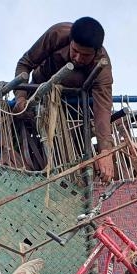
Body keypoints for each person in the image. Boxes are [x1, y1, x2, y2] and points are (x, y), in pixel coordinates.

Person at [15, 18, 115, 183]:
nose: (77, 57)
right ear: (70, 41)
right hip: (40, 92)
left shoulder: (102, 68)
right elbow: (24, 64)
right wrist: (21, 97)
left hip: (73, 106)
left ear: (96, 52)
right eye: (75, 50)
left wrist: (105, 151)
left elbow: (103, 108)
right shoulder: (57, 34)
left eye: (85, 55)